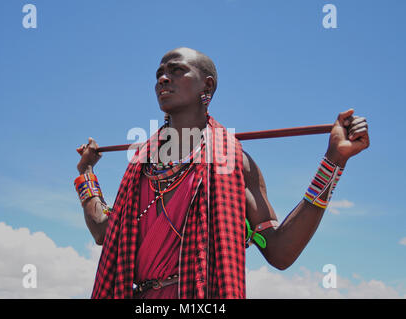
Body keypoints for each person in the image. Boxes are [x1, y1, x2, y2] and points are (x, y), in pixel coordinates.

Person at [74, 47, 370, 299]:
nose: (163, 78)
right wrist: (86, 173)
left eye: (177, 71)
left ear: (208, 85)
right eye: (159, 74)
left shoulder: (234, 162)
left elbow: (279, 251)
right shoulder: (141, 166)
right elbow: (104, 232)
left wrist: (334, 161)